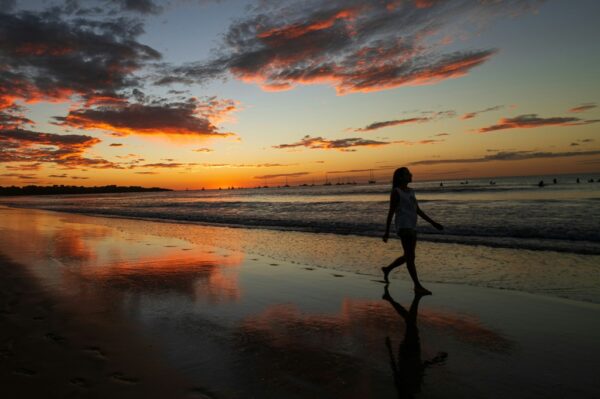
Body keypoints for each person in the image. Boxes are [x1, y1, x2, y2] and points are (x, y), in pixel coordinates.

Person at [382, 167, 443, 294]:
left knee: (409, 256)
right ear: (400, 177)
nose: (411, 175)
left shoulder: (411, 191)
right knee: (410, 257)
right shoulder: (396, 192)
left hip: (412, 226)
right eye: (407, 174)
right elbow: (391, 212)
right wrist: (387, 232)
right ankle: (417, 286)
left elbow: (418, 210)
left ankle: (387, 269)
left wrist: (433, 223)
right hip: (403, 226)